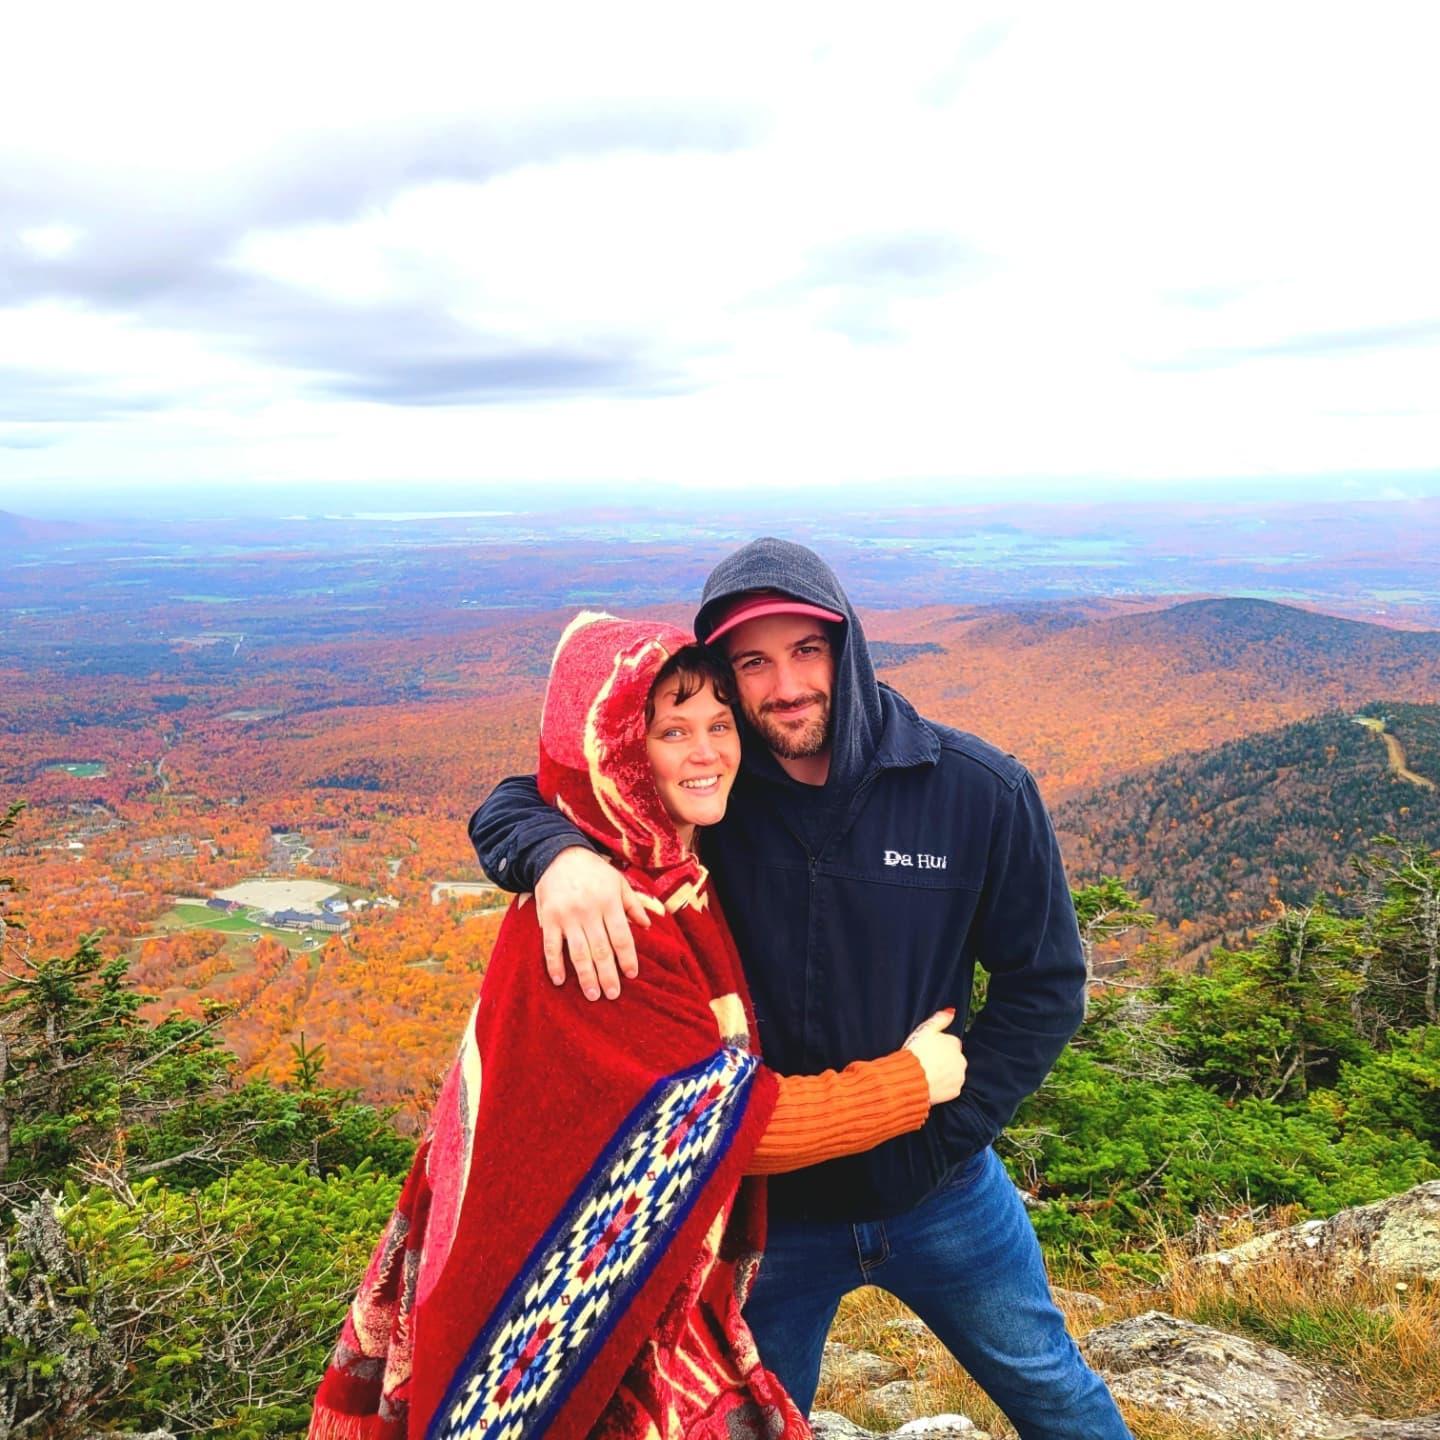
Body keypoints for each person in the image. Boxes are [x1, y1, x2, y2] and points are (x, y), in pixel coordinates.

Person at [470, 541, 1134, 1440]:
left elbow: (1046, 985)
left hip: (942, 1192)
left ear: (846, 647)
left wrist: (942, 1134)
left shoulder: (975, 792)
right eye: (753, 661)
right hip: (768, 1216)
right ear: (726, 676)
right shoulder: (716, 788)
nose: (784, 685)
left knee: (1054, 1392)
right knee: (748, 1421)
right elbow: (525, 794)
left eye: (806, 651)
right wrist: (557, 854)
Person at [309, 611, 968, 1440]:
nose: (708, 752)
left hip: (608, 1265)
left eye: (722, 724)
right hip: (566, 1295)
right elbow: (724, 1131)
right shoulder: (614, 920)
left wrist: (554, 848)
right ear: (619, 752)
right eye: (672, 731)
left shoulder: (664, 860)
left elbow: (525, 797)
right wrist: (915, 1083)